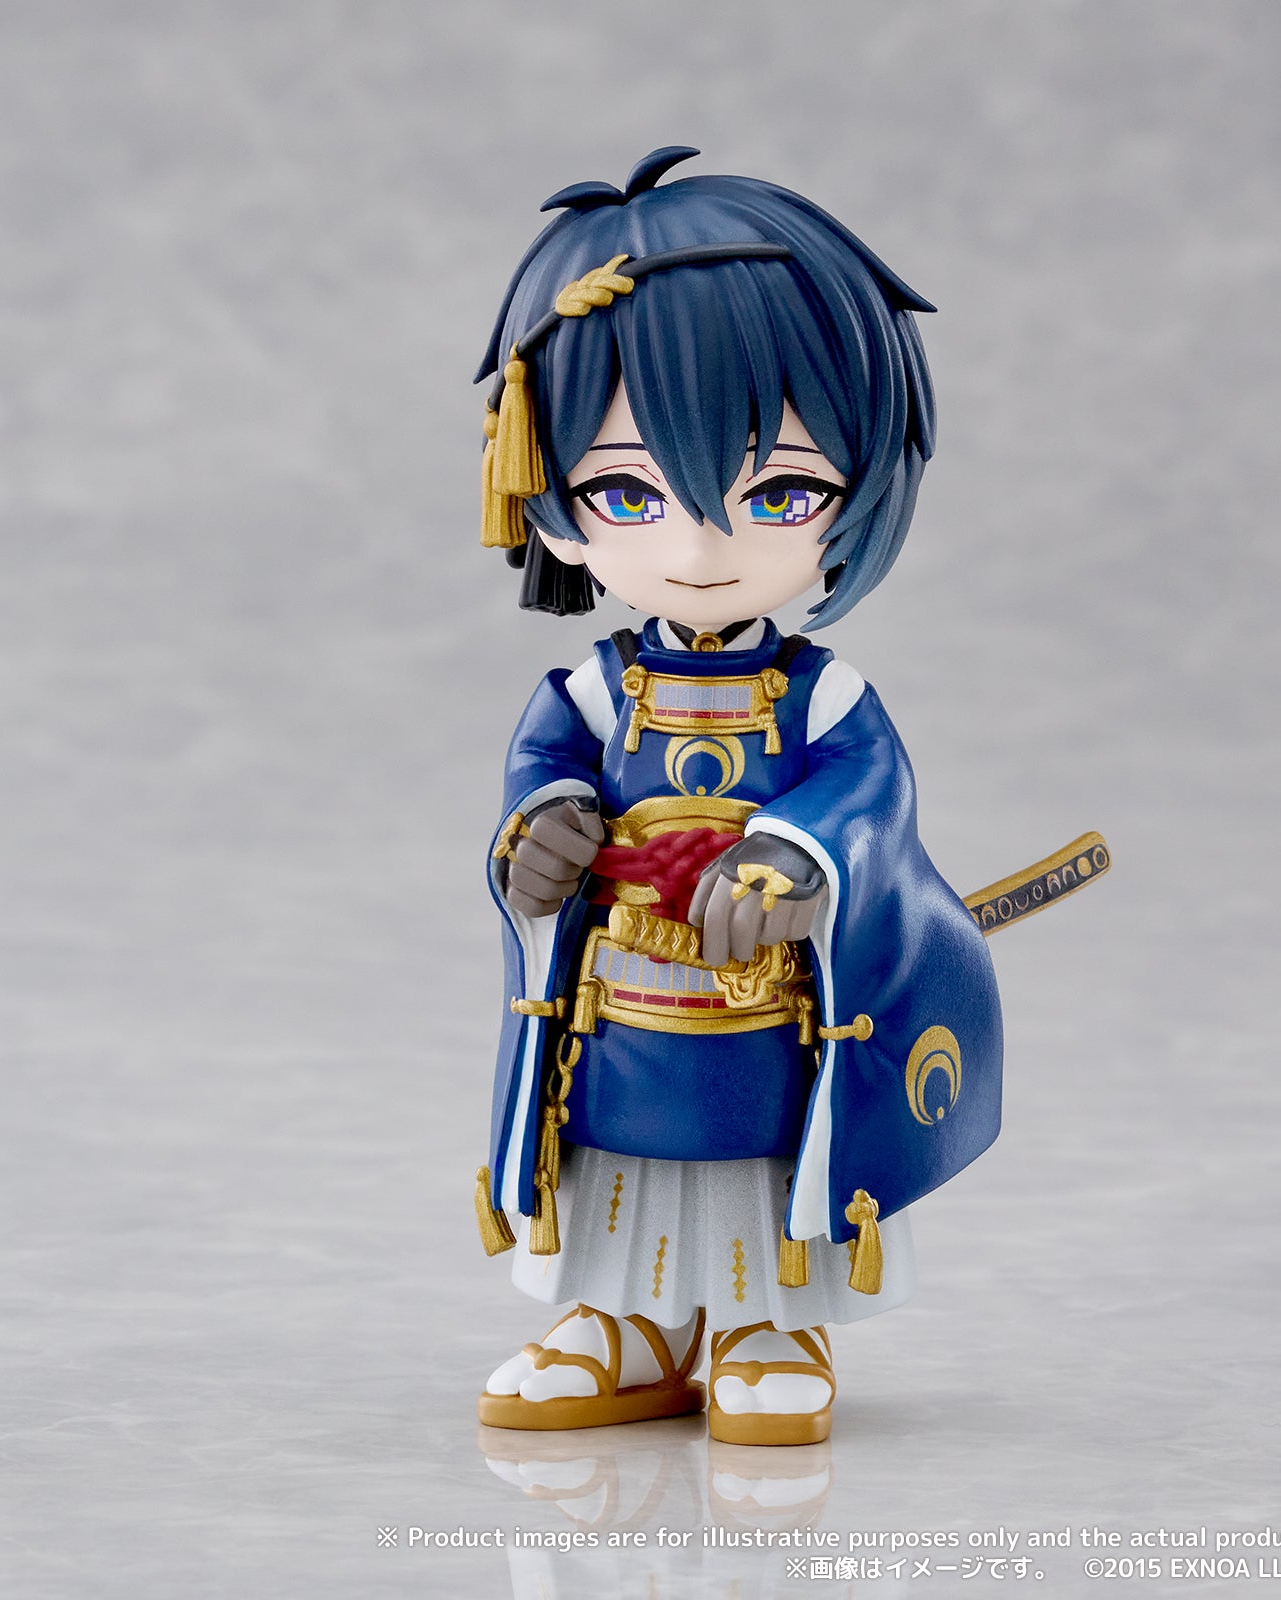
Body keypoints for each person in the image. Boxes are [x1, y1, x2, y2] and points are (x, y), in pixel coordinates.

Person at [471, 148, 1002, 1446]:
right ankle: (626, 1324)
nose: (701, 549)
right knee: (617, 1157)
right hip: (621, 1009)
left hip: (771, 1011)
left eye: (778, 493)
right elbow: (539, 779)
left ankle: (768, 1325)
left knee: (768, 1155)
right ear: (548, 494)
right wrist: (544, 835)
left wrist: (795, 858)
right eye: (628, 493)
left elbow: (869, 796)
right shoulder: (592, 694)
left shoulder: (823, 700)